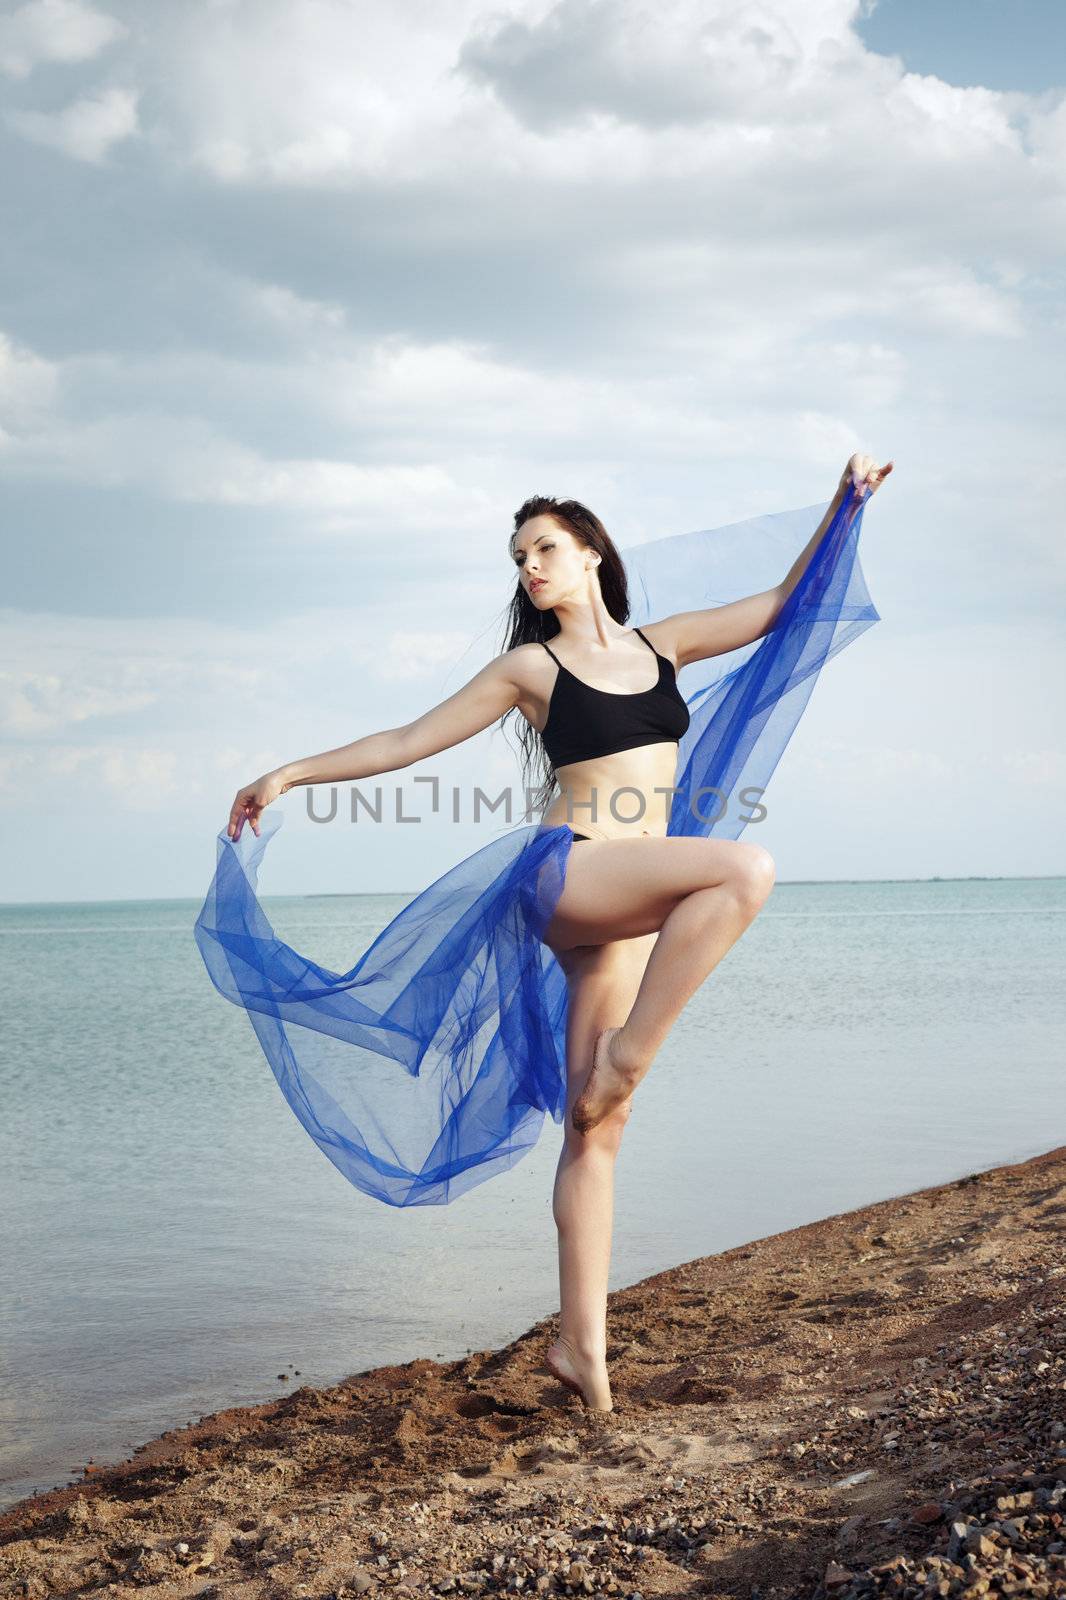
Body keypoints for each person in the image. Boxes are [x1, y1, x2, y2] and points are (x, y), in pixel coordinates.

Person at [198, 452, 892, 1414]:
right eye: (520, 556)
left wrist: (843, 507)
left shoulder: (665, 646)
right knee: (744, 869)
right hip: (570, 873)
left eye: (545, 548)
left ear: (591, 554)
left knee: (595, 1128)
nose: (530, 567)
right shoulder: (534, 666)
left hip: (629, 898)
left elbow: (781, 603)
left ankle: (583, 1355)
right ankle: (629, 1056)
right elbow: (406, 742)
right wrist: (288, 774)